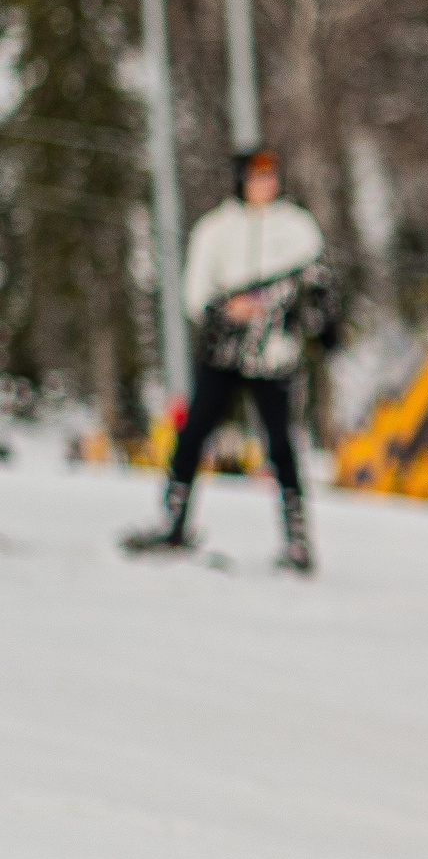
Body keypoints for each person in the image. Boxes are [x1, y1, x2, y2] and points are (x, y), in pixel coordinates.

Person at [122, 146, 334, 571]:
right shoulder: (216, 229)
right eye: (256, 176)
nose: (265, 184)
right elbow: (195, 295)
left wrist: (298, 316)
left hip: (273, 353)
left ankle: (297, 540)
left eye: (271, 175)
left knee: (280, 442)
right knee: (195, 430)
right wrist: (227, 309)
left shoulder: (296, 227)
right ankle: (174, 519)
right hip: (224, 351)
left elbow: (318, 286)